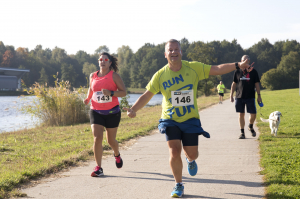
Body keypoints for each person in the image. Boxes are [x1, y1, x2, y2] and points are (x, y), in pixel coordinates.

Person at [123, 39, 251, 198]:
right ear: (165, 54)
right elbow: (147, 95)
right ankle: (178, 184)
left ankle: (190, 160)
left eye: (176, 49)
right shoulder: (160, 75)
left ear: (181, 52)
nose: (173, 52)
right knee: (174, 151)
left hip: (190, 119)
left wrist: (238, 65)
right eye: (170, 50)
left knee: (193, 154)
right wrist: (133, 109)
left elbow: (217, 69)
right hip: (170, 119)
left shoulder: (194, 67)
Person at [83, 52, 127, 177]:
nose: (102, 61)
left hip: (112, 112)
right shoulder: (93, 75)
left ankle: (117, 154)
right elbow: (91, 89)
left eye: (105, 59)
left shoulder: (115, 76)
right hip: (96, 111)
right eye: (100, 59)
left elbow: (123, 92)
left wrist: (111, 93)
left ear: (110, 63)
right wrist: (88, 98)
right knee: (97, 138)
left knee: (111, 140)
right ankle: (99, 168)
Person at [230, 55, 261, 139]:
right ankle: (242, 133)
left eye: (247, 60)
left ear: (249, 61)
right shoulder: (237, 71)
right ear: (241, 61)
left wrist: (259, 96)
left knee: (253, 114)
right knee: (241, 114)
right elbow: (234, 83)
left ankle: (250, 126)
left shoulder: (253, 71)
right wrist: (231, 95)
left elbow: (257, 84)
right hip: (239, 96)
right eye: (244, 60)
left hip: (250, 96)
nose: (245, 61)